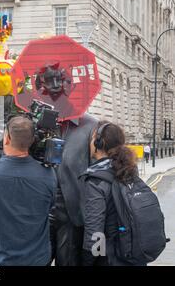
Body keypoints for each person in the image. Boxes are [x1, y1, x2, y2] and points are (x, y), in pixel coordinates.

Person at [0, 115, 57, 266]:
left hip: (1, 260)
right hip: (38, 259)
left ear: (6, 138)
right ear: (33, 141)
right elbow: (50, 206)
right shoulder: (48, 174)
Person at [40, 65, 99, 266]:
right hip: (40, 210)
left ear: (71, 86)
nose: (55, 88)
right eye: (49, 82)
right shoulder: (34, 123)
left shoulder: (91, 125)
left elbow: (98, 172)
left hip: (73, 212)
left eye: (61, 82)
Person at [80, 121, 139, 266]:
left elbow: (95, 231)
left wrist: (88, 260)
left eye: (93, 138)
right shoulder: (130, 170)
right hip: (132, 251)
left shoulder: (96, 179)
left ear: (100, 143)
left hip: (110, 256)